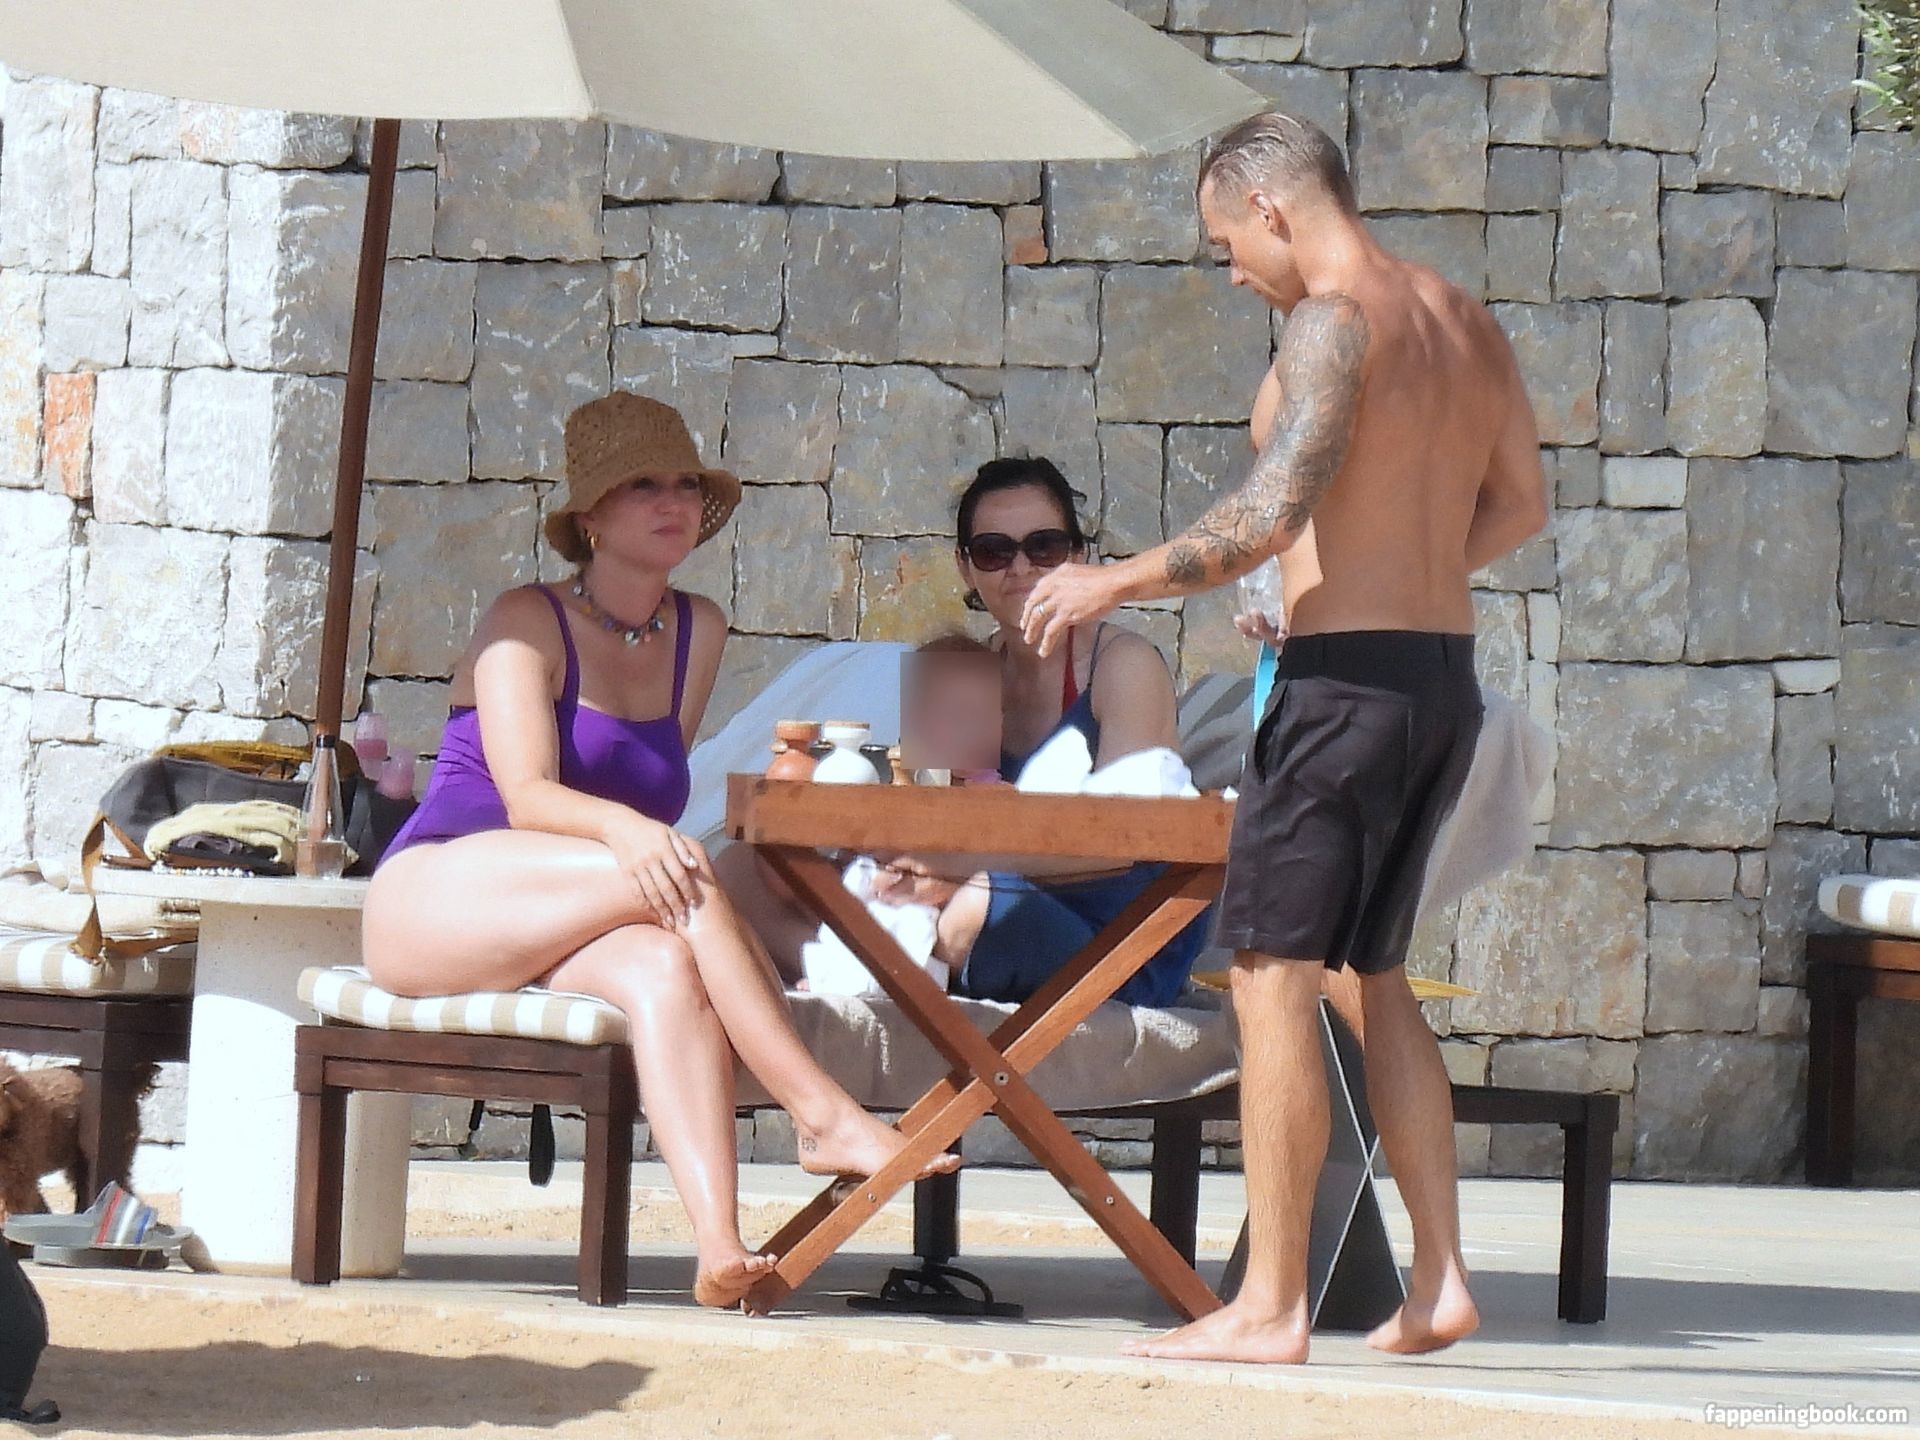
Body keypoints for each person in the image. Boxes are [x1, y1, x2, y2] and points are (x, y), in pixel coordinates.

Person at [1020, 111, 1548, 1364]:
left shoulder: (1329, 321)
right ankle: (1439, 1280)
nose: (1230, 271)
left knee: (1269, 979)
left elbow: (1271, 507)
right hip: (1436, 680)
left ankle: (1269, 1305)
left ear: (1270, 208)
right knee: (1374, 975)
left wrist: (1114, 579)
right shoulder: (1462, 316)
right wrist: (1389, 579)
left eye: (1224, 244)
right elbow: (1520, 504)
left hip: (1339, 694)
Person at [362, 391, 957, 1314]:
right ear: (591, 518)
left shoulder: (697, 629)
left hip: (577, 910)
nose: (672, 501)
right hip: (444, 893)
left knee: (665, 968)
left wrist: (643, 838)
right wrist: (634, 836)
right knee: (684, 871)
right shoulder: (524, 620)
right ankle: (820, 1115)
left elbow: (652, 790)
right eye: (643, 486)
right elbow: (529, 798)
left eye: (685, 484)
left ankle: (719, 1248)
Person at [718, 457, 1213, 1007]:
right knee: (742, 868)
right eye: (994, 551)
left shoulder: (1121, 666)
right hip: (969, 896)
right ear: (965, 567)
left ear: (1077, 557)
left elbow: (1134, 839)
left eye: (1044, 547)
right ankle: (842, 969)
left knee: (978, 903)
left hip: (1114, 931)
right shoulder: (962, 667)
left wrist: (965, 862)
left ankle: (864, 972)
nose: (1020, 568)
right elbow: (928, 807)